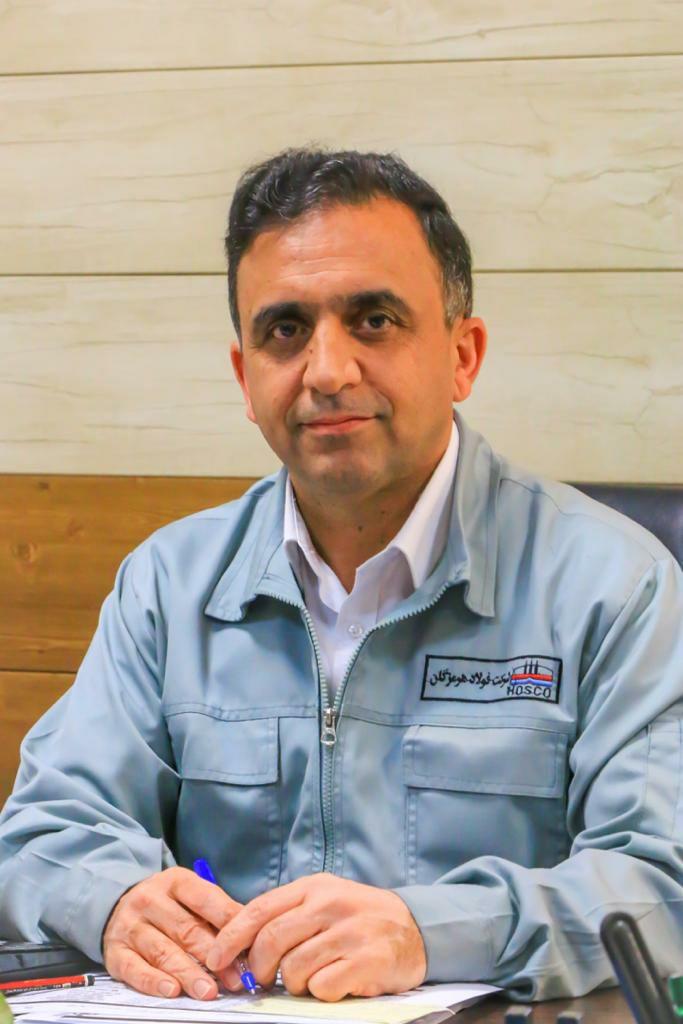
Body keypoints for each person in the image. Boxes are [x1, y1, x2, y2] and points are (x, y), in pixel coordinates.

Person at [1, 147, 682, 1006]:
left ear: (462, 355)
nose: (326, 371)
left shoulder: (613, 585)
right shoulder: (169, 586)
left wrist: (428, 932)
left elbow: (659, 883)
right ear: (245, 377)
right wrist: (113, 901)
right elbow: (43, 830)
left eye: (374, 320)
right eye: (285, 331)